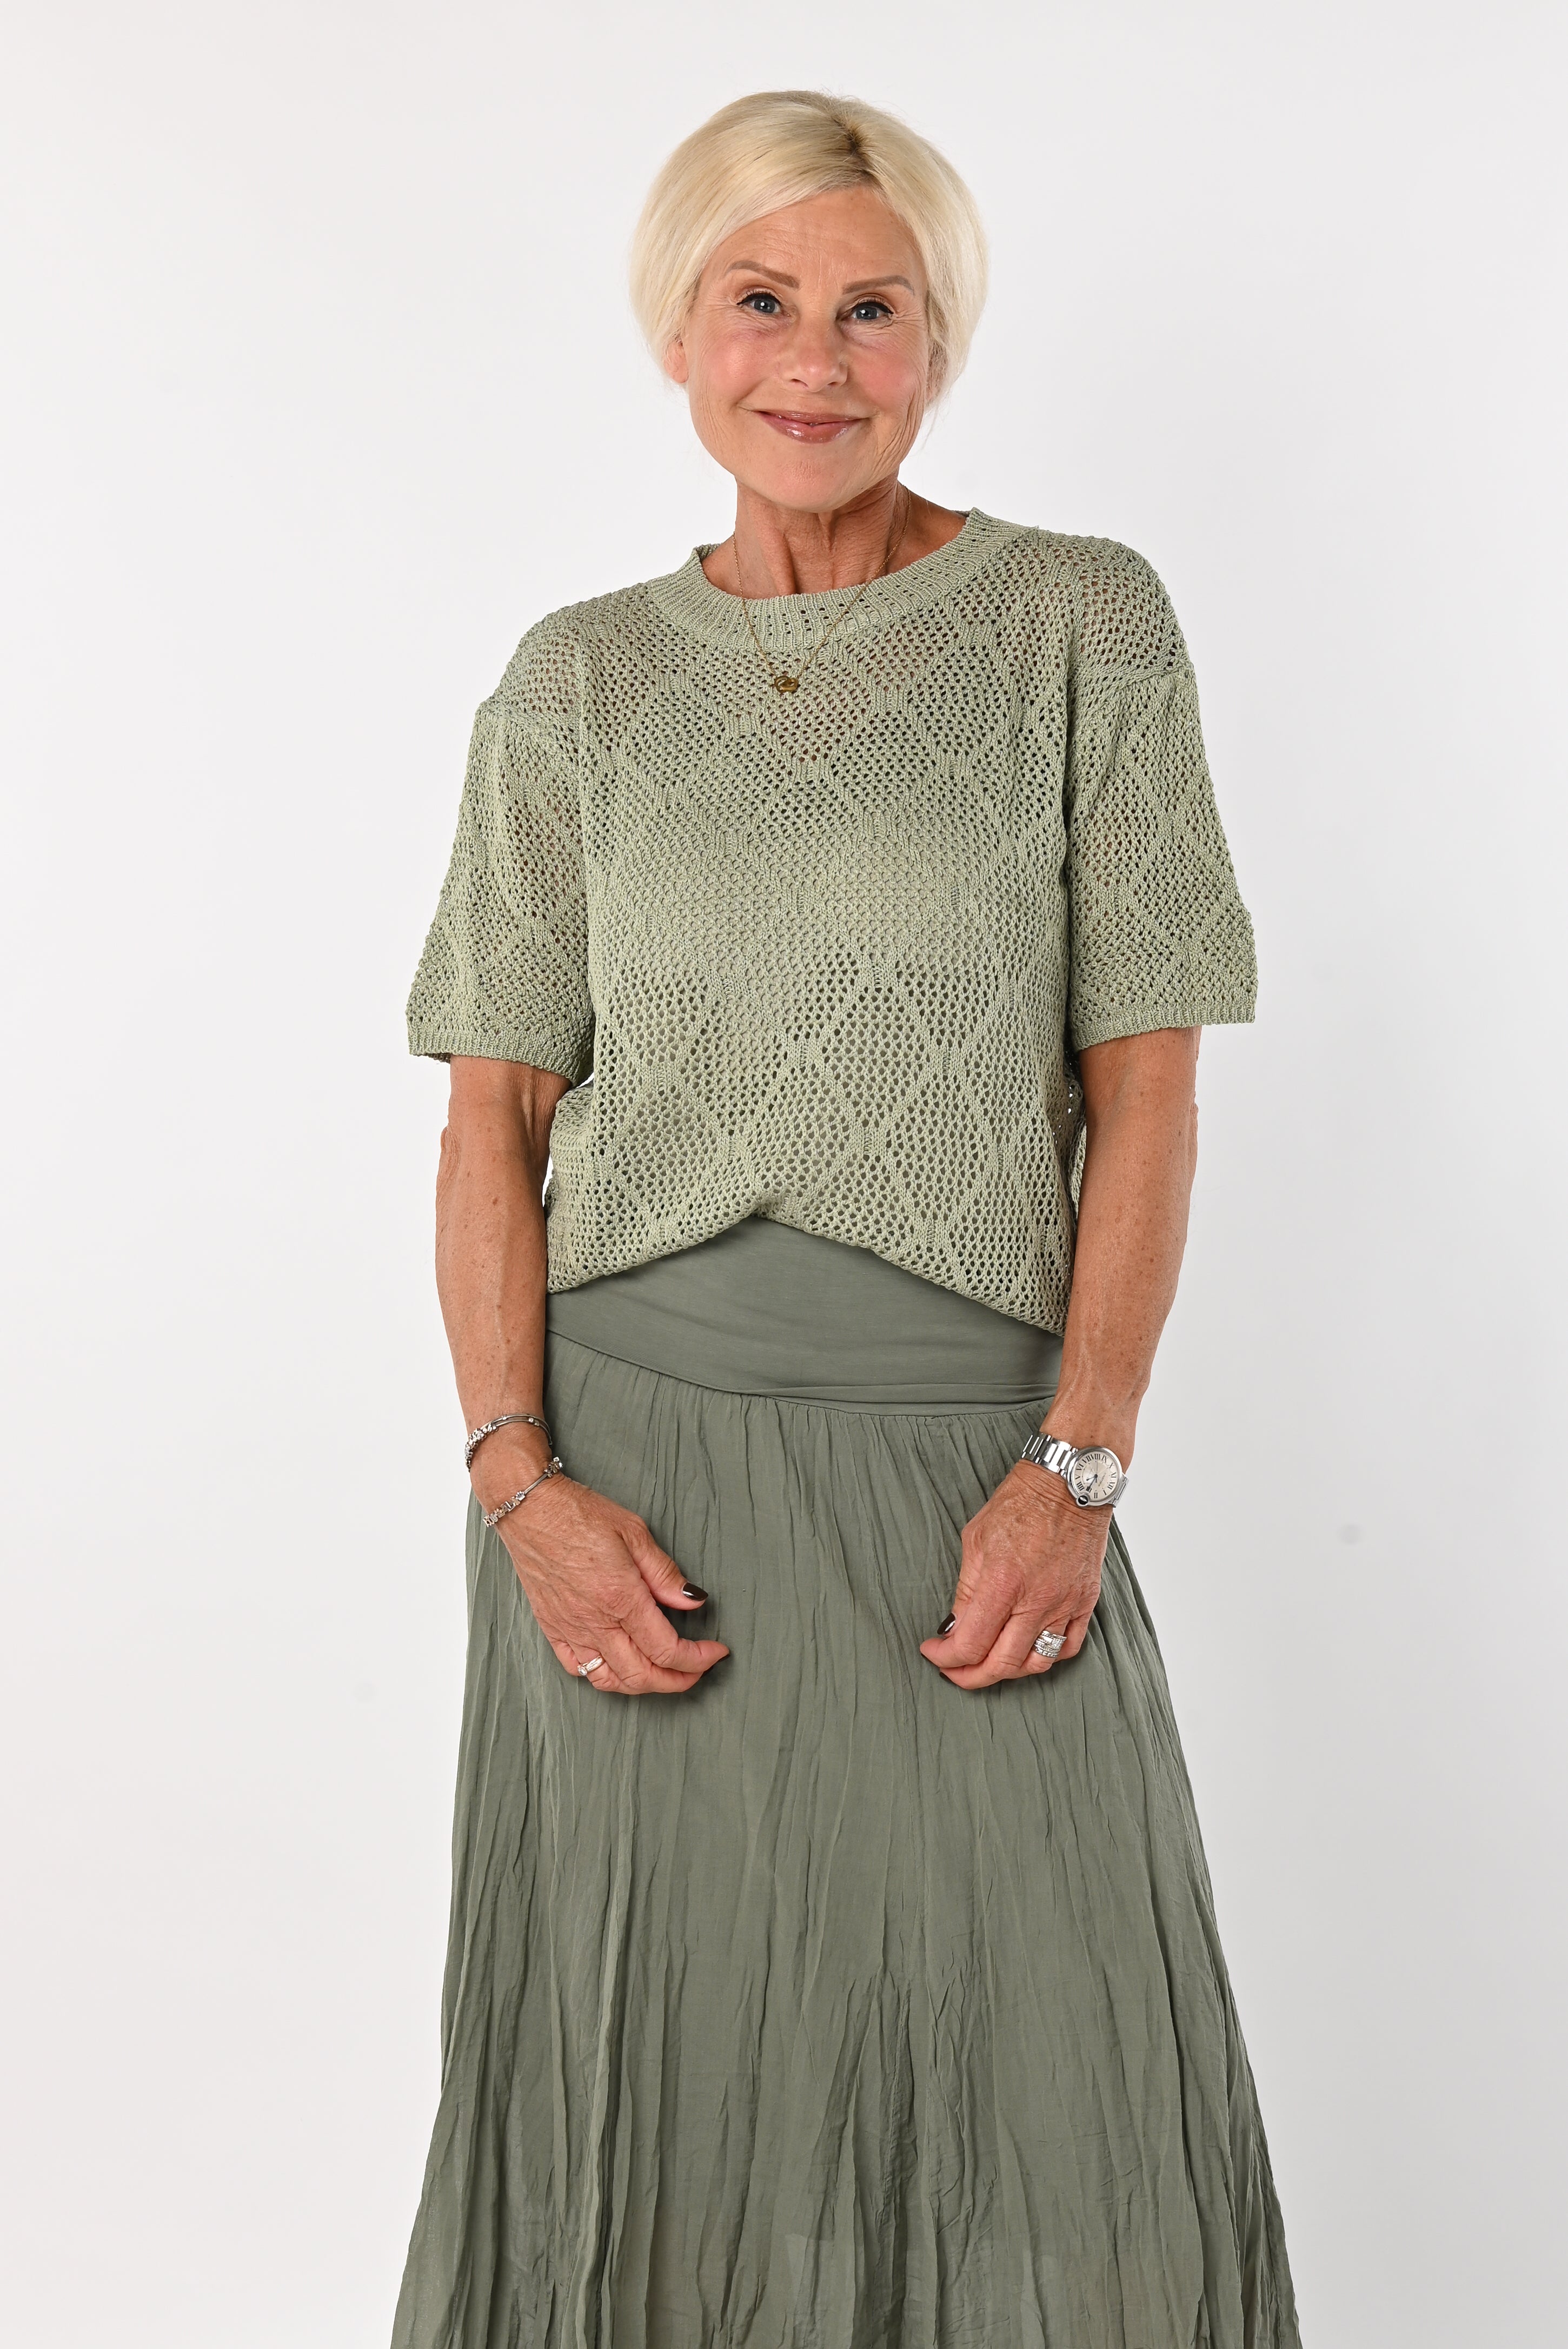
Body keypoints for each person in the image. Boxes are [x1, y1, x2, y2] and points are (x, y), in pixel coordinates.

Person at [392, 88, 1301, 2349]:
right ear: (675, 332)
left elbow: (1147, 1087)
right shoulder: (578, 679)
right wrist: (520, 1490)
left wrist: (1078, 1464)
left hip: (973, 1481)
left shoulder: (1078, 621)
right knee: (655, 2108)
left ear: (940, 340)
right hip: (629, 1497)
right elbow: (491, 1121)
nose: (812, 361)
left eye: (871, 309)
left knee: (1071, 2099)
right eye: (759, 300)